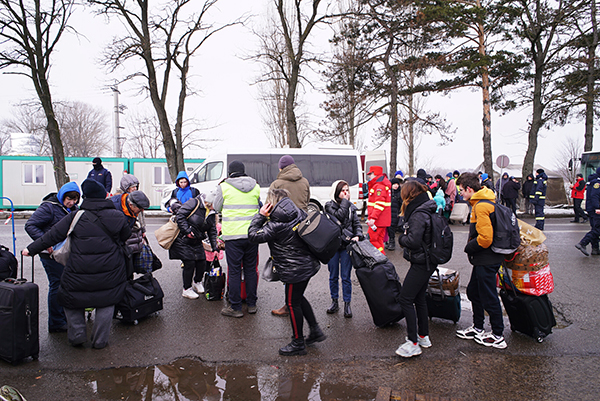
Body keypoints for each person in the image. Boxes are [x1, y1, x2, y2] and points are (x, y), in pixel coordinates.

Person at [22, 179, 131, 349]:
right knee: (107, 300)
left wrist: (31, 249)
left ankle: (77, 335)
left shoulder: (76, 216)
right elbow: (125, 236)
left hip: (79, 267)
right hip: (110, 268)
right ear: (104, 196)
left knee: (71, 297)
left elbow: (52, 236)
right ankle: (100, 341)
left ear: (85, 197)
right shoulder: (117, 216)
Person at [248, 189, 325, 356]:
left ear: (271, 203)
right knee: (298, 298)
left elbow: (253, 235)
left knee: (292, 303)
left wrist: (260, 216)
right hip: (306, 265)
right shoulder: (298, 212)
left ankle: (298, 342)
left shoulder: (276, 224)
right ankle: (315, 330)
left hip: (294, 269)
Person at [455, 173, 507, 349]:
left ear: (469, 189)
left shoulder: (481, 207)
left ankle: (498, 334)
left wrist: (470, 247)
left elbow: (485, 238)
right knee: (474, 292)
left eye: (462, 190)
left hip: (487, 258)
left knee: (489, 295)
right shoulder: (483, 201)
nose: (461, 193)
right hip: (484, 259)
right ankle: (478, 327)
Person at [24, 181, 81, 333]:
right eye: (69, 198)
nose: (72, 202)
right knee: (57, 284)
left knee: (64, 284)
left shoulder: (73, 209)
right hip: (49, 254)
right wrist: (44, 242)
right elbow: (30, 225)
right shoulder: (49, 207)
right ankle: (56, 322)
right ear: (62, 195)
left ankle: (62, 317)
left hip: (63, 252)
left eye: (75, 199)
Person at [395, 180, 437, 358]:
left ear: (408, 195)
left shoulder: (418, 213)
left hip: (422, 262)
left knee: (405, 298)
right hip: (426, 261)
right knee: (419, 298)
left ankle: (412, 342)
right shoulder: (426, 206)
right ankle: (423, 336)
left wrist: (401, 239)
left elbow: (413, 241)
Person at [214, 160, 260, 317]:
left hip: (233, 236)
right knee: (251, 270)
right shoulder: (256, 186)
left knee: (234, 271)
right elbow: (259, 207)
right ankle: (252, 304)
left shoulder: (224, 186)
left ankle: (236, 307)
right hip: (252, 235)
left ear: (230, 172)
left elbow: (216, 207)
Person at [269, 155, 310, 317]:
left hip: (284, 233)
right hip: (303, 230)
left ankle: (290, 304)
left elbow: (270, 208)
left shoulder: (277, 184)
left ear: (281, 168)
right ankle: (293, 302)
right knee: (299, 267)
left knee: (287, 267)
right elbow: (306, 203)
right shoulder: (305, 181)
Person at [324, 180, 363, 317]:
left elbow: (356, 224)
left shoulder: (351, 207)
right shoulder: (329, 206)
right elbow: (339, 216)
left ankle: (347, 303)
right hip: (333, 246)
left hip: (347, 245)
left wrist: (358, 235)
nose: (346, 193)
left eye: (347, 190)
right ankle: (334, 301)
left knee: (346, 276)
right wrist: (346, 202)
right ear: (336, 192)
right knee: (333, 276)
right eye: (343, 190)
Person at [169, 193, 218, 299]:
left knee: (202, 262)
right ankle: (186, 289)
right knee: (189, 263)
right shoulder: (194, 203)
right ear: (209, 203)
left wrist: (215, 247)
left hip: (197, 240)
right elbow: (180, 216)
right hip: (183, 239)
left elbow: (212, 230)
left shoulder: (212, 212)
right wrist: (187, 231)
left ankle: (197, 282)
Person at [111, 189, 150, 277]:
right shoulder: (115, 207)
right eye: (140, 209)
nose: (142, 211)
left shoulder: (131, 207)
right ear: (131, 205)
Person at [366, 165, 392, 254]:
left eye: (371, 174)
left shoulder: (379, 186)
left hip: (378, 220)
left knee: (372, 240)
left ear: (375, 173)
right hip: (381, 220)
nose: (369, 176)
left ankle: (379, 259)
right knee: (379, 241)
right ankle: (382, 259)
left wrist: (373, 218)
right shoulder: (381, 185)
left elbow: (379, 204)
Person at [575, 170, 600, 256]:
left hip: (592, 208)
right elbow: (595, 196)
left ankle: (595, 249)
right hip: (596, 209)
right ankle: (583, 243)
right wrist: (597, 207)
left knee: (595, 228)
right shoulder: (597, 183)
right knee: (597, 229)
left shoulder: (592, 182)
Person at [385, 178, 402, 251]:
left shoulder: (400, 193)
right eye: (394, 184)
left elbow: (402, 204)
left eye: (397, 184)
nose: (396, 186)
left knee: (392, 227)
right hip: (389, 213)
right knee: (389, 228)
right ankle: (390, 241)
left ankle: (392, 242)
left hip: (396, 214)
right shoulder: (388, 193)